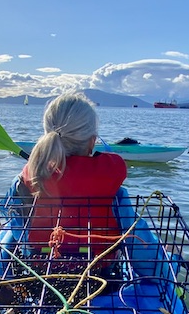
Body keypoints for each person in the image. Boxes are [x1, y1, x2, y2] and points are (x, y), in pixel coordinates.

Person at [8, 92, 127, 257]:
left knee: (18, 186)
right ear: (92, 141)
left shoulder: (30, 174)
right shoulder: (111, 174)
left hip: (40, 260)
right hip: (99, 264)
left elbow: (15, 222)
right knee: (120, 194)